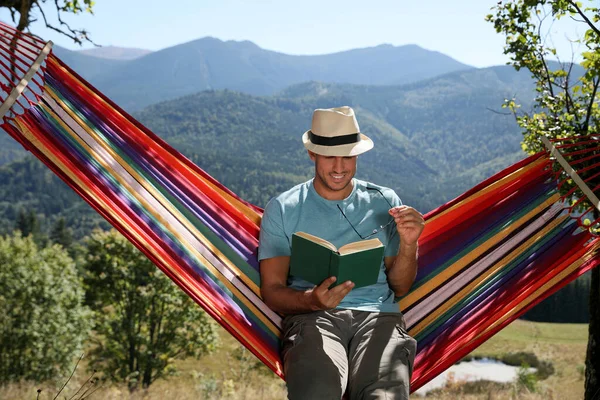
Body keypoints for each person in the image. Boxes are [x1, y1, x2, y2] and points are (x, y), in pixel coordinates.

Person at [258, 106, 424, 400]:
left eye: (347, 156)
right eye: (329, 156)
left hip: (378, 317)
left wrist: (409, 243)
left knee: (384, 396)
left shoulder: (384, 201)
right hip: (312, 318)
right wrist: (311, 301)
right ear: (312, 154)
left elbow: (400, 286)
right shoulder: (284, 208)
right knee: (318, 392)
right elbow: (271, 290)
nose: (339, 167)